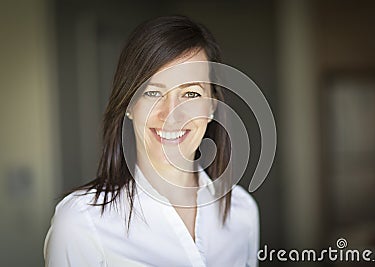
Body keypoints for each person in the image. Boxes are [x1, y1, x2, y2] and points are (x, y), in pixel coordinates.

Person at [44, 15, 259, 267]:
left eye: (191, 93)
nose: (170, 114)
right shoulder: (81, 223)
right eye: (152, 92)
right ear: (129, 105)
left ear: (211, 106)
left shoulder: (242, 211)